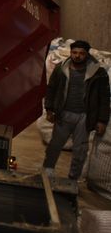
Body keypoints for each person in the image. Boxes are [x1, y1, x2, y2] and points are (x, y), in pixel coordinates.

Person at [43, 40, 110, 180]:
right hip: (64, 114)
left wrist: (102, 120)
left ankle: (73, 178)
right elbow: (51, 89)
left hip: (84, 117)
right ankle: (47, 171)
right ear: (70, 53)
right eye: (74, 53)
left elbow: (104, 98)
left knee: (80, 150)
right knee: (55, 145)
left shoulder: (98, 73)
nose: (77, 56)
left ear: (87, 55)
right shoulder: (61, 69)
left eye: (81, 53)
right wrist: (49, 109)